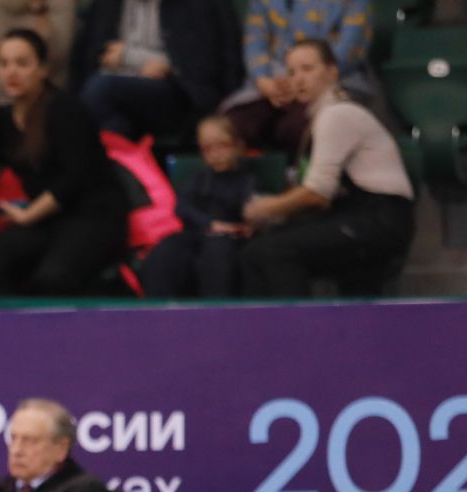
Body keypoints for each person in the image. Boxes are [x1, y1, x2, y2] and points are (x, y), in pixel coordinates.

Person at [240, 39, 414, 298]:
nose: (298, 79)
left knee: (273, 251)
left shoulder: (337, 114)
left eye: (307, 69)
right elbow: (321, 199)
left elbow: (318, 192)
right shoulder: (321, 116)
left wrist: (265, 208)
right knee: (257, 250)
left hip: (379, 219)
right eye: (291, 72)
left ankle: (298, 332)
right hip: (355, 215)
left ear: (332, 72)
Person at [0, 30, 128, 296]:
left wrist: (29, 215)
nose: (11, 72)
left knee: (53, 278)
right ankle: (12, 334)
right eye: (3, 64)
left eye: (22, 63)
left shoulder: (66, 109)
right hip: (47, 220)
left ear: (42, 69)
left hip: (93, 217)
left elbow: (73, 179)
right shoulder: (1, 120)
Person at [72, 0, 240, 140]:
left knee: (101, 87)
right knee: (115, 125)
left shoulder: (192, 5)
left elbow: (200, 63)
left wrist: (130, 56)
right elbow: (93, 53)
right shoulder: (108, 5)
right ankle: (120, 175)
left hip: (171, 94)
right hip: (116, 92)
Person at [221, 0, 371, 153]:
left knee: (297, 127)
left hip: (331, 82)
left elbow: (345, 52)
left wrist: (299, 80)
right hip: (272, 83)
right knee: (231, 126)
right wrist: (263, 81)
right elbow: (254, 44)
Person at [138, 114, 259, 298]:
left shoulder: (247, 181)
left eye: (221, 146)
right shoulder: (200, 178)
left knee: (217, 255)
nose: (215, 155)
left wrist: (245, 224)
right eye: (207, 149)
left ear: (237, 145)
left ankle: (216, 315)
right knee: (165, 251)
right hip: (197, 232)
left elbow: (252, 211)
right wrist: (210, 224)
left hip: (229, 238)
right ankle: (158, 312)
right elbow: (182, 208)